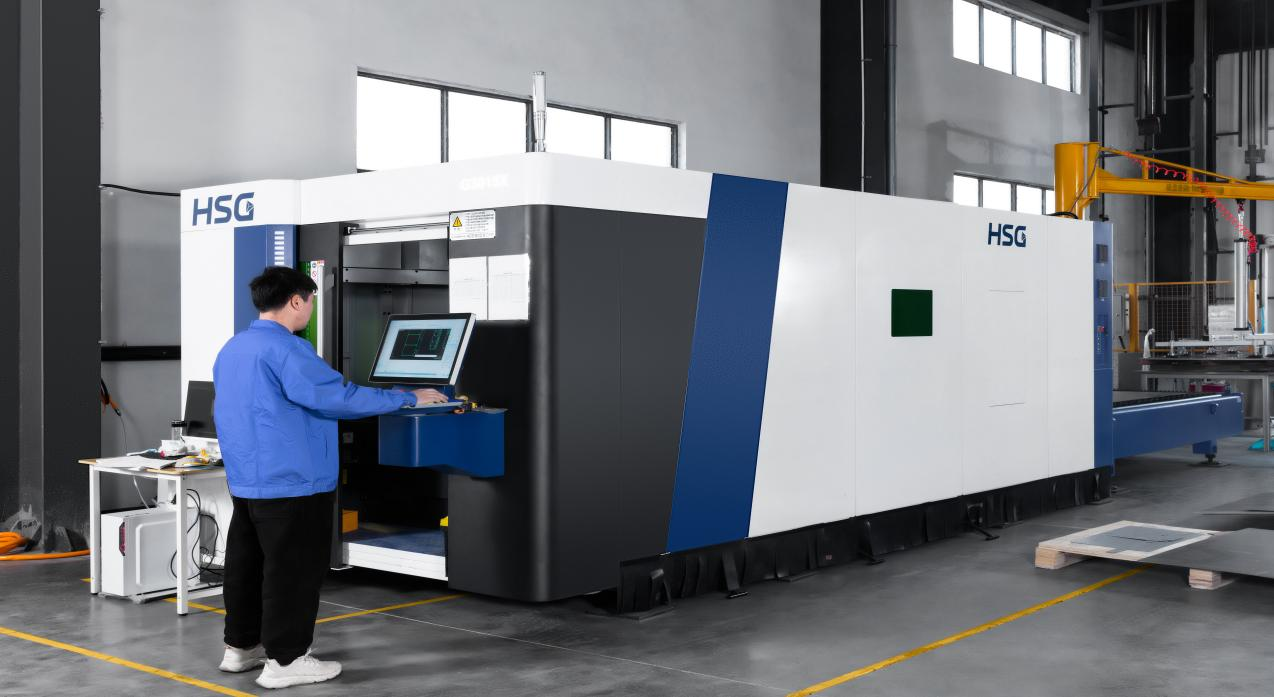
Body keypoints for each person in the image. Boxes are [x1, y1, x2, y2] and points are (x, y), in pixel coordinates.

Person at [212, 266, 446, 689]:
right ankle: (286, 661)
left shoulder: (235, 347)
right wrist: (406, 398)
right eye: (311, 300)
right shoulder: (289, 350)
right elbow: (337, 397)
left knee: (248, 565)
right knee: (293, 571)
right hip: (295, 480)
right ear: (296, 301)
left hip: (249, 478)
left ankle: (241, 647)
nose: (310, 308)